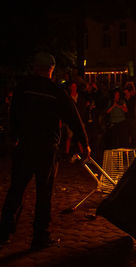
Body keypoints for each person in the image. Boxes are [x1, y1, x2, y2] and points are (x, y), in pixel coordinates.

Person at [0, 52, 90, 250]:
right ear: (51, 70)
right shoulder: (56, 91)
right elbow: (74, 118)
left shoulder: (23, 88)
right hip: (46, 150)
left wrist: (13, 137)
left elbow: (13, 113)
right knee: (44, 194)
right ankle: (40, 237)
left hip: (24, 146)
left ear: (34, 67)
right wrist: (84, 142)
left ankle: (4, 232)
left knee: (16, 189)